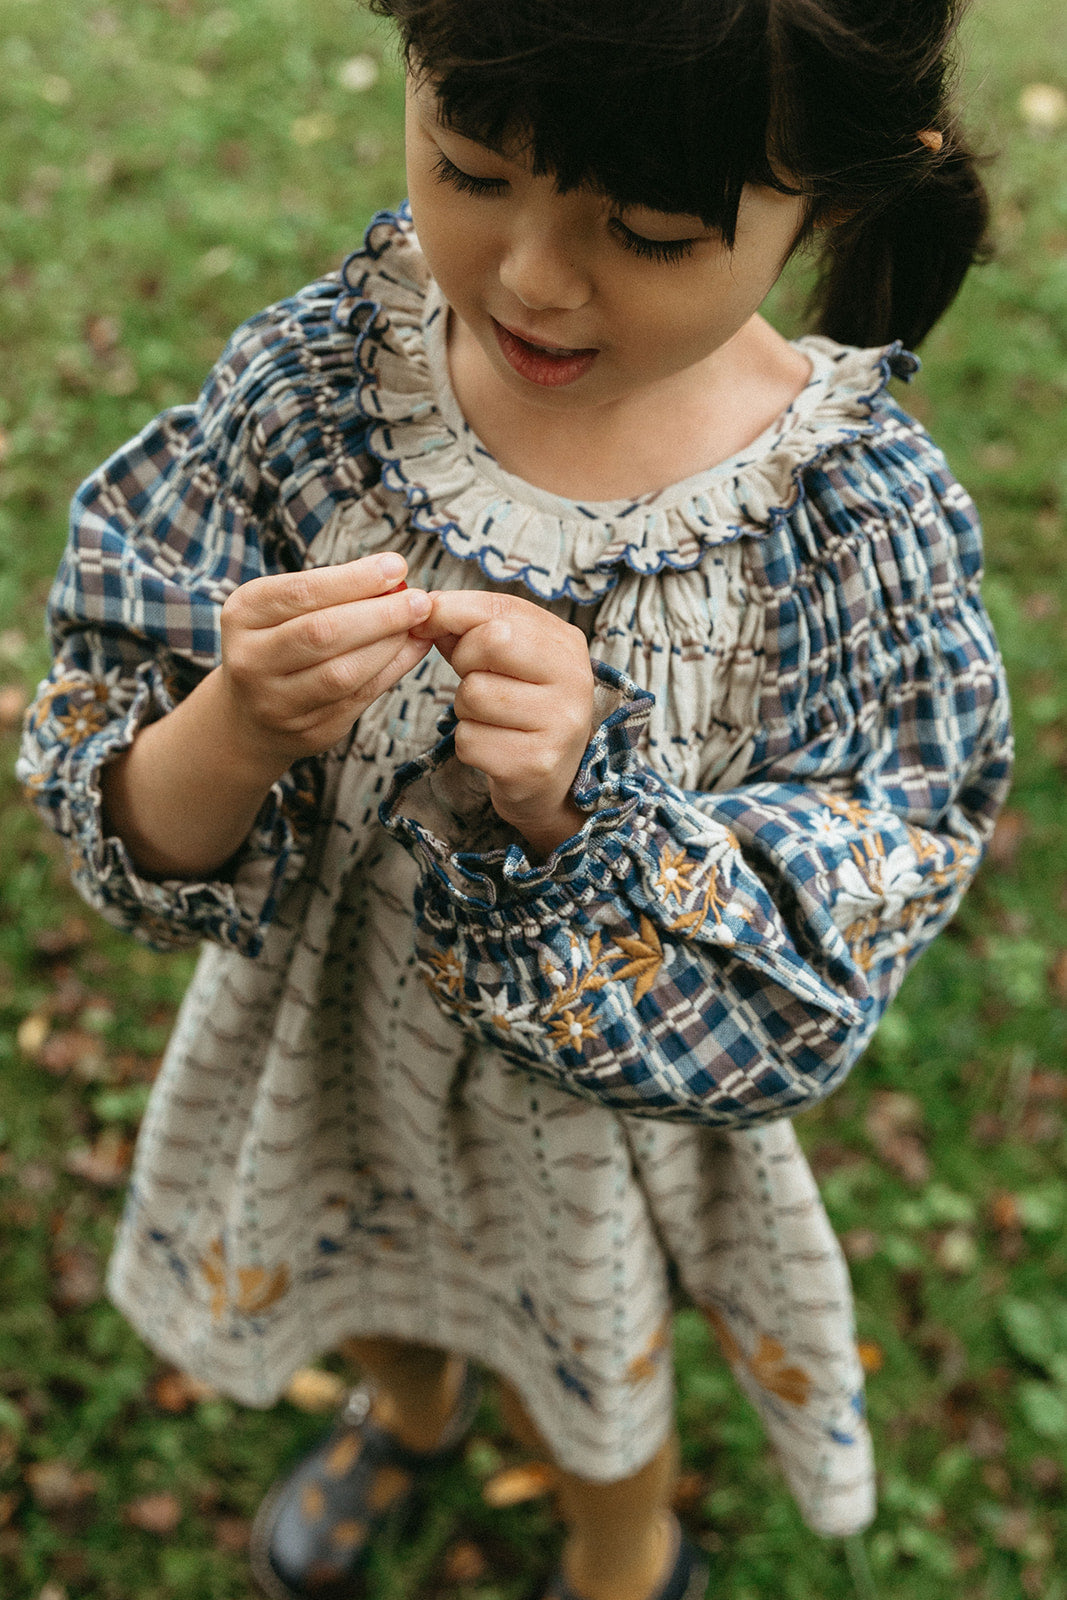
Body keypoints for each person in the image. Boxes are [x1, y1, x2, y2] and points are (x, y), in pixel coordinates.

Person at [19, 0, 1013, 1595]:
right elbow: (128, 812)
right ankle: (409, 1414)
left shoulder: (846, 523)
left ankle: (622, 1546)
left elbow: (850, 915)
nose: (537, 278)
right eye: (473, 168)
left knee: (595, 1371)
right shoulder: (321, 392)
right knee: (373, 1281)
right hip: (332, 1045)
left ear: (821, 196)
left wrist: (581, 808)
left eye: (652, 231)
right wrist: (236, 721)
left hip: (595, 1127)